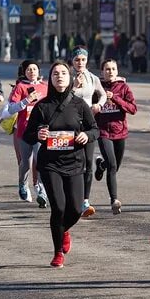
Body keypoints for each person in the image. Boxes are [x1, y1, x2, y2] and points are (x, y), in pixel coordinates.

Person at [23, 61, 99, 268]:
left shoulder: (79, 105)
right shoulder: (42, 106)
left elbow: (95, 129)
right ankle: (58, 252)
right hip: (50, 164)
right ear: (51, 78)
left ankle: (63, 230)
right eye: (55, 73)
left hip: (74, 162)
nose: (60, 76)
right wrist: (38, 134)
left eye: (64, 73)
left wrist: (85, 135)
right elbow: (28, 135)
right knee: (58, 207)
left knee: (74, 209)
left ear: (70, 78)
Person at [93, 58, 137, 215]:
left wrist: (116, 99)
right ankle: (114, 200)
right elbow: (89, 108)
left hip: (120, 132)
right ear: (102, 72)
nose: (110, 72)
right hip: (103, 131)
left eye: (113, 69)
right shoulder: (97, 88)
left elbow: (133, 109)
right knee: (112, 165)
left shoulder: (123, 87)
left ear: (117, 71)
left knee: (115, 166)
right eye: (107, 69)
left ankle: (100, 165)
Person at [3, 60, 48, 206]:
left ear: (38, 71)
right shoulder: (20, 87)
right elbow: (10, 109)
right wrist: (26, 101)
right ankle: (22, 183)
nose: (32, 72)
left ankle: (41, 190)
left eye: (34, 69)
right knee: (26, 163)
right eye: (29, 69)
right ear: (24, 72)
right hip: (24, 131)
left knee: (40, 161)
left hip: (41, 131)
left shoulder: (45, 87)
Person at [68, 48, 106, 217]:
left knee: (88, 163)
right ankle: (71, 197)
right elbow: (61, 98)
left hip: (88, 123)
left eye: (83, 59)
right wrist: (73, 87)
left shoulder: (92, 77)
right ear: (72, 61)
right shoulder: (66, 77)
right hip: (70, 124)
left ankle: (85, 200)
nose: (80, 63)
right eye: (77, 60)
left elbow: (103, 94)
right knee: (73, 161)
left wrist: (99, 105)